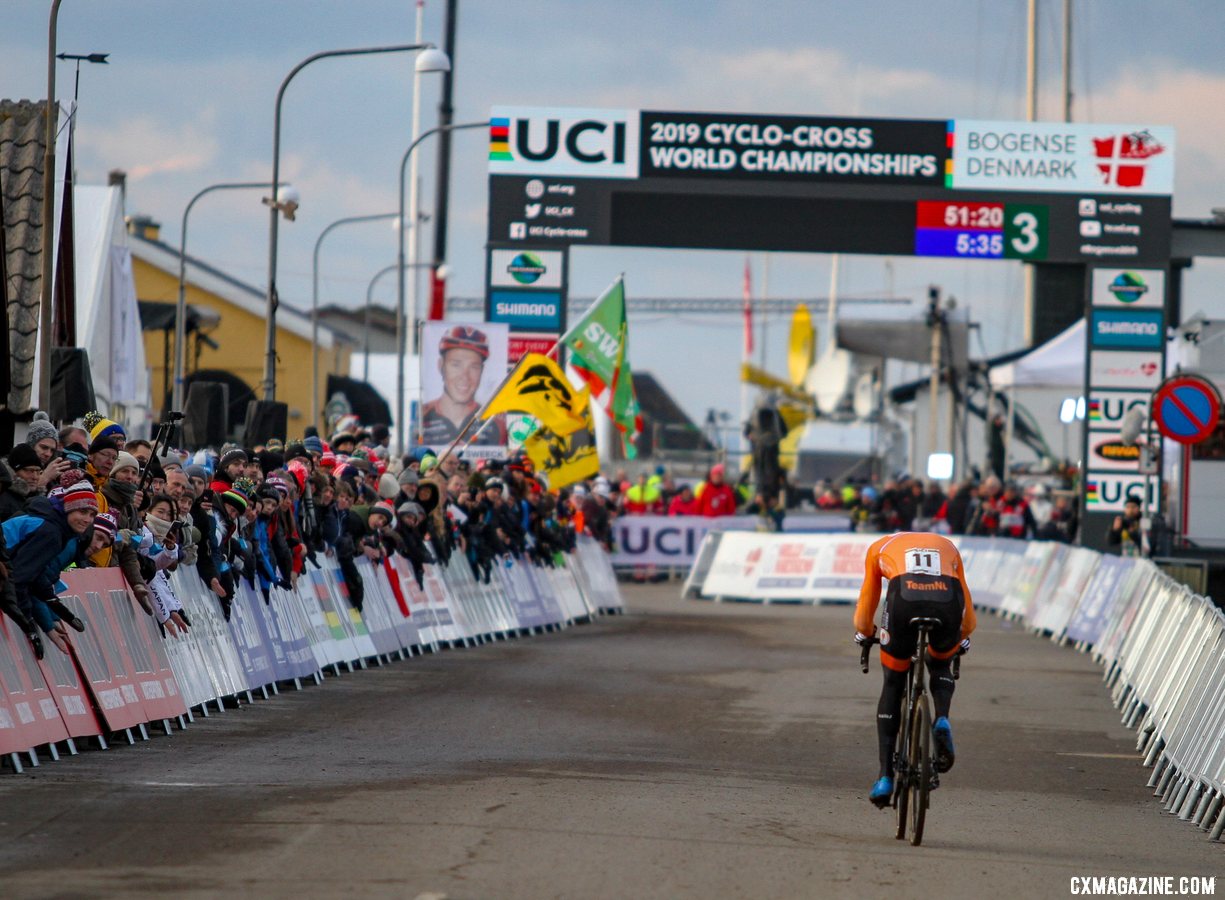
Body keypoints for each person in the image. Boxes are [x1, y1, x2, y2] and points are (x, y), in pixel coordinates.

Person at [853, 532, 976, 808]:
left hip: (903, 599)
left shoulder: (878, 548)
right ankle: (942, 718)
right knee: (941, 660)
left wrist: (865, 632)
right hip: (947, 601)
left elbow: (867, 601)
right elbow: (966, 604)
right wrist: (963, 635)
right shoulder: (948, 547)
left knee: (894, 681)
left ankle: (885, 777)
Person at [420, 326, 507, 447]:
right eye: (456, 365)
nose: (465, 376)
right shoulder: (422, 416)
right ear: (441, 366)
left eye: (474, 367)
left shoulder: (496, 422)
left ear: (482, 371)